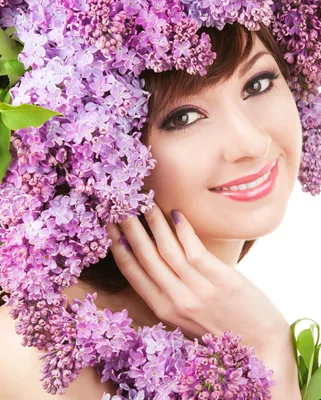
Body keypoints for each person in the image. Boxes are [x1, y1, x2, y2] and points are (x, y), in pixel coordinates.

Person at [0, 22, 304, 399]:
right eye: (183, 118)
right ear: (97, 155)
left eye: (256, 84)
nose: (252, 143)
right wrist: (269, 353)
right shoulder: (36, 355)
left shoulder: (238, 318)